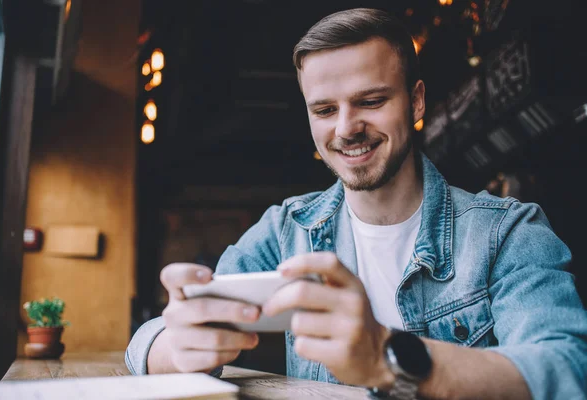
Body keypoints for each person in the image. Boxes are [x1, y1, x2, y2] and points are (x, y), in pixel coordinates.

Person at [126, 8, 587, 400]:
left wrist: (387, 359)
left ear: (417, 101)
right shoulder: (286, 230)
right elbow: (144, 346)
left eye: (370, 101)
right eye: (324, 110)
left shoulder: (507, 232)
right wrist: (178, 345)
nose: (345, 128)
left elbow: (566, 370)